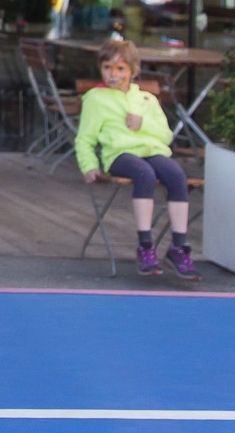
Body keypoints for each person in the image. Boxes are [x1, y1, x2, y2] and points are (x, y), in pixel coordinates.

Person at [76, 38, 197, 280]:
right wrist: (89, 166)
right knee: (144, 174)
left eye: (120, 68)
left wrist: (142, 124)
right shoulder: (95, 99)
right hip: (120, 154)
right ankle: (145, 245)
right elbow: (84, 139)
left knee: (175, 175)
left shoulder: (146, 100)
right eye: (107, 68)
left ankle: (178, 247)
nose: (113, 74)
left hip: (152, 150)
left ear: (132, 71)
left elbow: (165, 134)